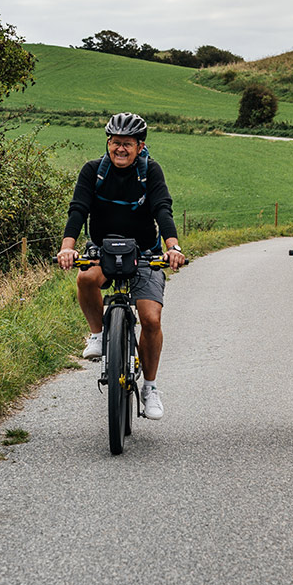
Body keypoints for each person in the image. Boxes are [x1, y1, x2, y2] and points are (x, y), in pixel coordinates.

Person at [57, 112, 186, 420]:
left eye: (128, 144)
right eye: (116, 143)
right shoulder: (92, 171)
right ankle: (98, 335)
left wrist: (173, 247)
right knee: (86, 279)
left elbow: (162, 209)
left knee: (151, 319)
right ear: (108, 143)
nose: (121, 150)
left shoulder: (150, 172)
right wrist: (67, 248)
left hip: (143, 253)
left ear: (140, 146)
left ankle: (150, 388)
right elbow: (78, 209)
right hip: (102, 250)